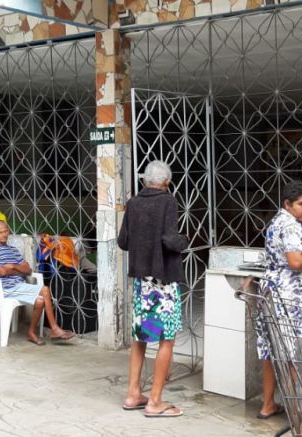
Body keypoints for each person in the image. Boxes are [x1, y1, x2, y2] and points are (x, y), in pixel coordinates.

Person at [247, 180, 302, 419]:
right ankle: (296, 410)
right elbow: (296, 261)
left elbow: (301, 239)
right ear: (288, 204)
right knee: (295, 353)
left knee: (272, 350)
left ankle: (267, 404)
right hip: (291, 299)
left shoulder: (280, 221)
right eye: (301, 204)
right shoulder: (291, 226)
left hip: (273, 294)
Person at [118, 161, 189, 418]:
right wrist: (183, 241)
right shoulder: (168, 201)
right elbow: (169, 240)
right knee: (165, 338)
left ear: (144, 181)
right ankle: (155, 401)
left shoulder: (134, 203)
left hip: (143, 284)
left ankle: (133, 394)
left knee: (142, 337)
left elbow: (123, 241)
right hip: (163, 283)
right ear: (167, 182)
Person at [0, 221, 75, 345]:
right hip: (5, 288)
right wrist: (17, 269)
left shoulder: (13, 250)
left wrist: (12, 266)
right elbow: (2, 272)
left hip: (19, 286)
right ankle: (54, 329)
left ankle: (31, 332)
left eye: (6, 231)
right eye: (0, 232)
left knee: (40, 301)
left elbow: (28, 270)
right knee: (45, 289)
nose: (4, 234)